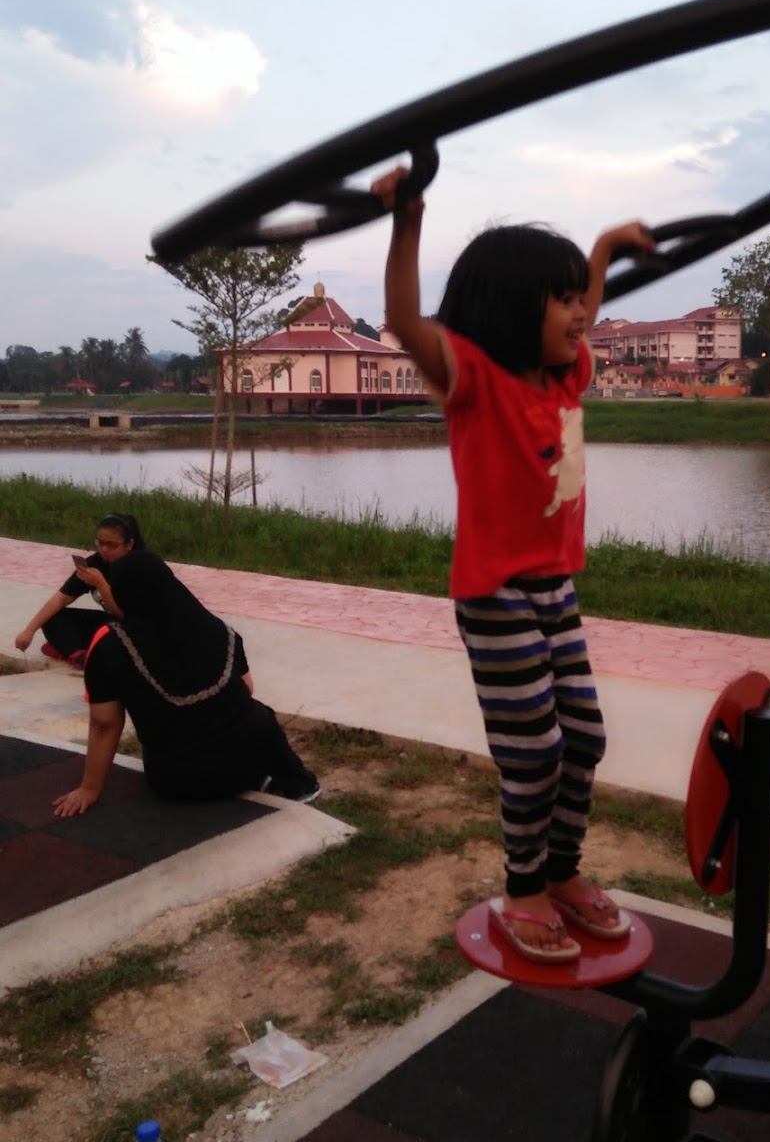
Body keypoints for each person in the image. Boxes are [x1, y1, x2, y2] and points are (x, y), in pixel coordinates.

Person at [373, 164, 655, 964]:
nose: (581, 315)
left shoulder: (568, 374)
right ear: (507, 306)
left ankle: (562, 875)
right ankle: (521, 887)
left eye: (579, 299)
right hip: (494, 595)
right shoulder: (474, 382)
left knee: (586, 739)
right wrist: (407, 223)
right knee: (532, 750)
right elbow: (401, 320)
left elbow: (585, 313)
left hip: (554, 590)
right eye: (562, 300)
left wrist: (599, 249)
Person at [52, 551, 320, 817]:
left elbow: (105, 723)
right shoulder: (218, 630)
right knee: (260, 715)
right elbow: (246, 690)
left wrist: (90, 788)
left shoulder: (109, 646)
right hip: (249, 766)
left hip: (177, 783)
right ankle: (300, 785)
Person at [14, 511, 146, 669]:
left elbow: (126, 615)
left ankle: (67, 649)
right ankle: (77, 654)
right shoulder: (96, 563)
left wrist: (101, 584)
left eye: (111, 545)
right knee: (52, 618)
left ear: (129, 544)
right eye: (100, 543)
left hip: (140, 630)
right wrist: (29, 631)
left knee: (115, 636)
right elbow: (62, 598)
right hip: (112, 624)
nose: (104, 549)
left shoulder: (141, 566)